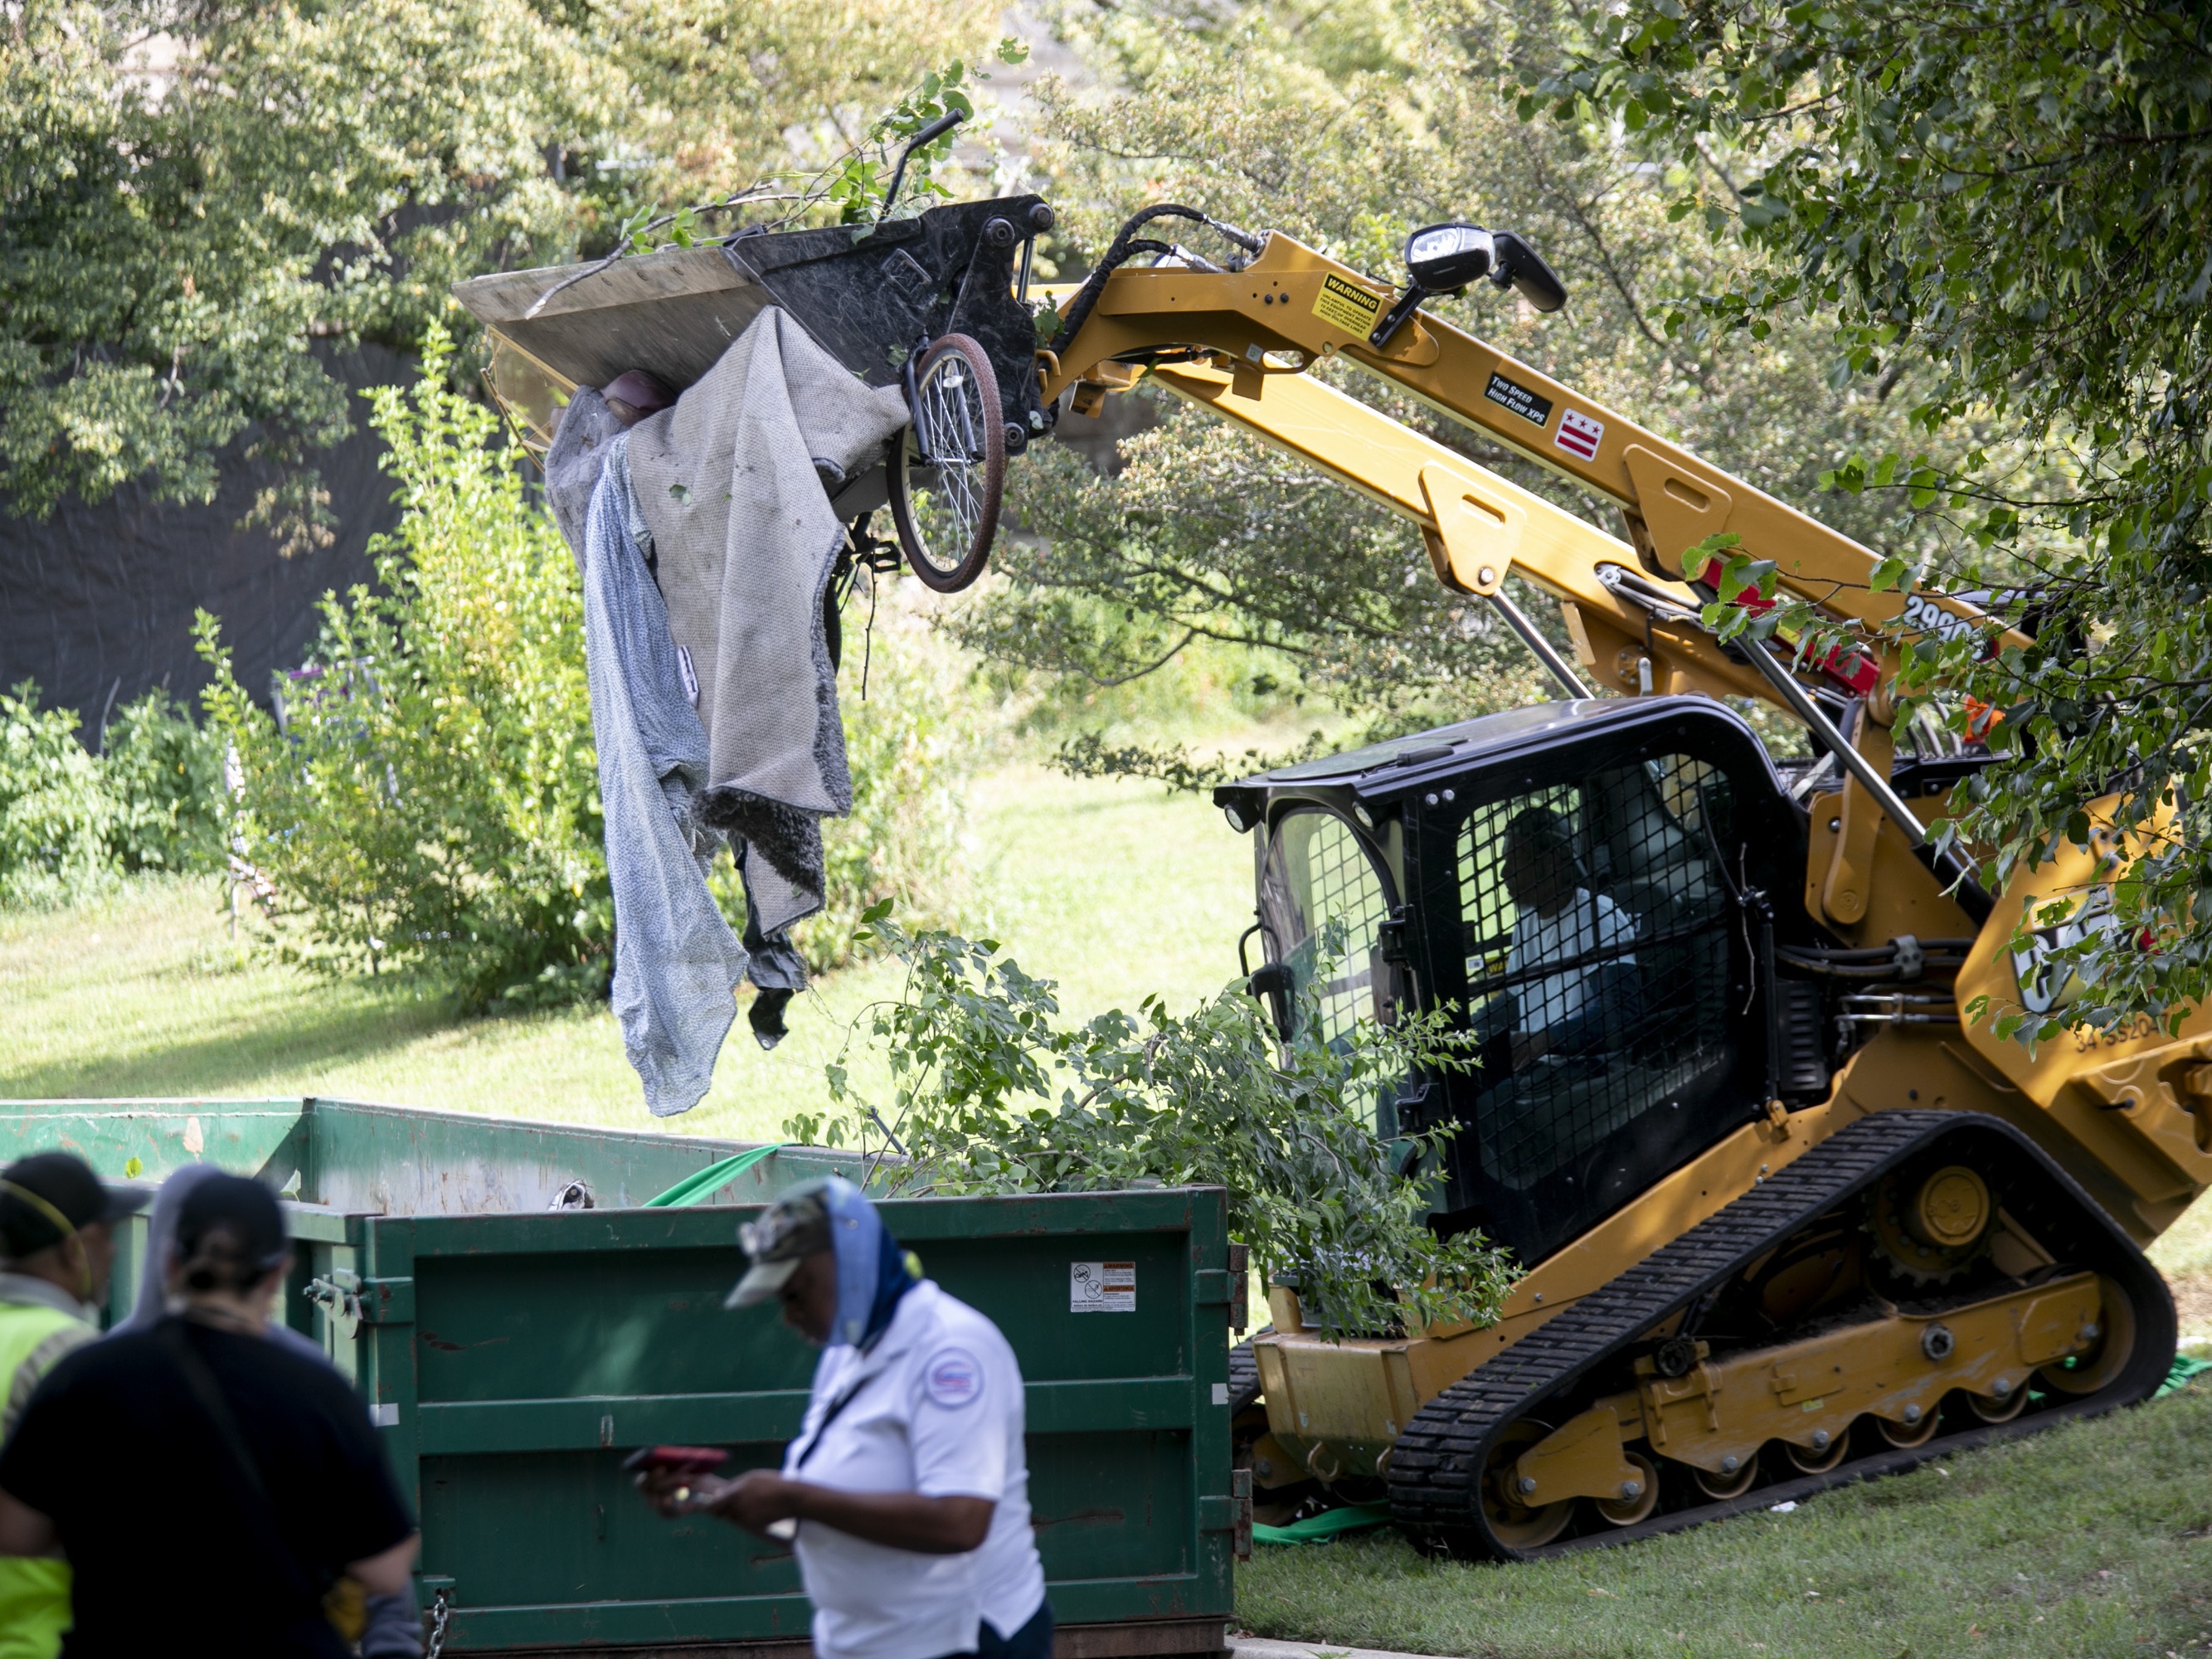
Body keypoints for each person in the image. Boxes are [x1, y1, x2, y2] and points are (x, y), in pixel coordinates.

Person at [0, 1173, 419, 1657]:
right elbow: (385, 1572)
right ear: (278, 1271)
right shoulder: (318, 1388)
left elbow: (14, 1533)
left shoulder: (85, 1375)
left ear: (170, 1260)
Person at [637, 1177, 1051, 1659]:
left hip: (960, 1642)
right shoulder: (846, 1354)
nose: (788, 1316)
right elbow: (828, 1519)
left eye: (796, 1293)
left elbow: (960, 1523)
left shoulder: (953, 1352)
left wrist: (792, 1496)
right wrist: (722, 1498)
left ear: (849, 1262)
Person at [0, 1155, 148, 1659]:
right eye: (104, 1235)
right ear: (73, 1249)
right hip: (44, 1636)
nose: (112, 1251)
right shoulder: (67, 1354)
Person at [1497, 806, 1640, 1065]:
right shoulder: (1527, 922)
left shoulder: (1598, 917)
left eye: (1515, 861)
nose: (1504, 873)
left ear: (1552, 860)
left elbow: (1621, 1013)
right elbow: (1513, 1000)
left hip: (1588, 1071)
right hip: (1542, 1071)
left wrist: (1545, 1040)